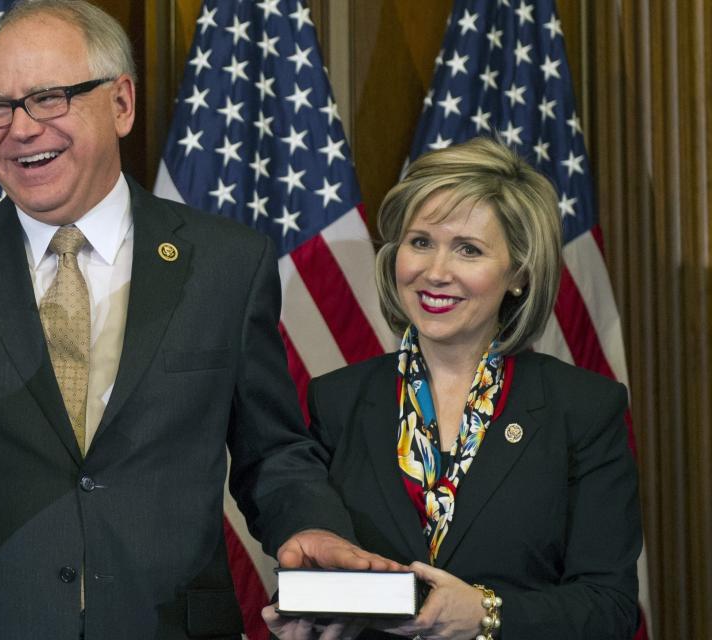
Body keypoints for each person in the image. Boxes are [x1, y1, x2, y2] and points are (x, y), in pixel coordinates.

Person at [0, 1, 391, 638]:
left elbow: (273, 452)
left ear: (121, 103)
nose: (18, 128)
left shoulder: (227, 264)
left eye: (47, 98)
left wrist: (310, 526)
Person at [265, 137, 642, 640]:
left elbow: (610, 607)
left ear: (520, 274)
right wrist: (307, 614)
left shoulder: (584, 408)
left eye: (468, 249)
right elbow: (332, 560)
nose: (435, 272)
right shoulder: (336, 400)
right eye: (421, 242)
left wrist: (487, 615)